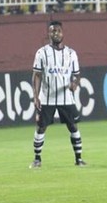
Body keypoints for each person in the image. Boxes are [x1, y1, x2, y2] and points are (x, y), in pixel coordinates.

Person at [30, 21, 87, 168]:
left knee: (73, 126)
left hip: (66, 98)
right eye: (53, 31)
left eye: (58, 31)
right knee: (41, 127)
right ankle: (37, 159)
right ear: (48, 34)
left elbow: (77, 75)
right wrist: (35, 97)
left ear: (63, 33)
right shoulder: (41, 53)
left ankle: (79, 159)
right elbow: (36, 75)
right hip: (47, 97)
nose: (56, 33)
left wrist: (75, 84)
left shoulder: (71, 53)